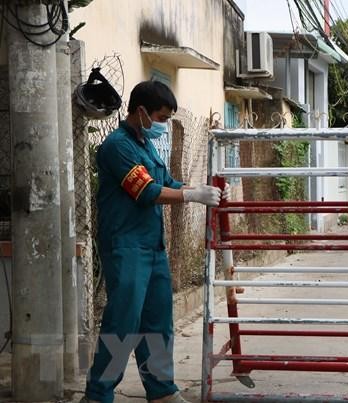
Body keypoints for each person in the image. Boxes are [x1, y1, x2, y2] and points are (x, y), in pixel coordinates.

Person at [81, 80, 227, 403]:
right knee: (123, 325)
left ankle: (161, 391)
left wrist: (198, 190)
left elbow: (165, 182)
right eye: (161, 117)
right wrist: (191, 195)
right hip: (126, 246)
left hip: (152, 247)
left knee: (158, 323)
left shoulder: (145, 145)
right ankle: (98, 394)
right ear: (142, 112)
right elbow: (146, 192)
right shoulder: (116, 146)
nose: (163, 125)